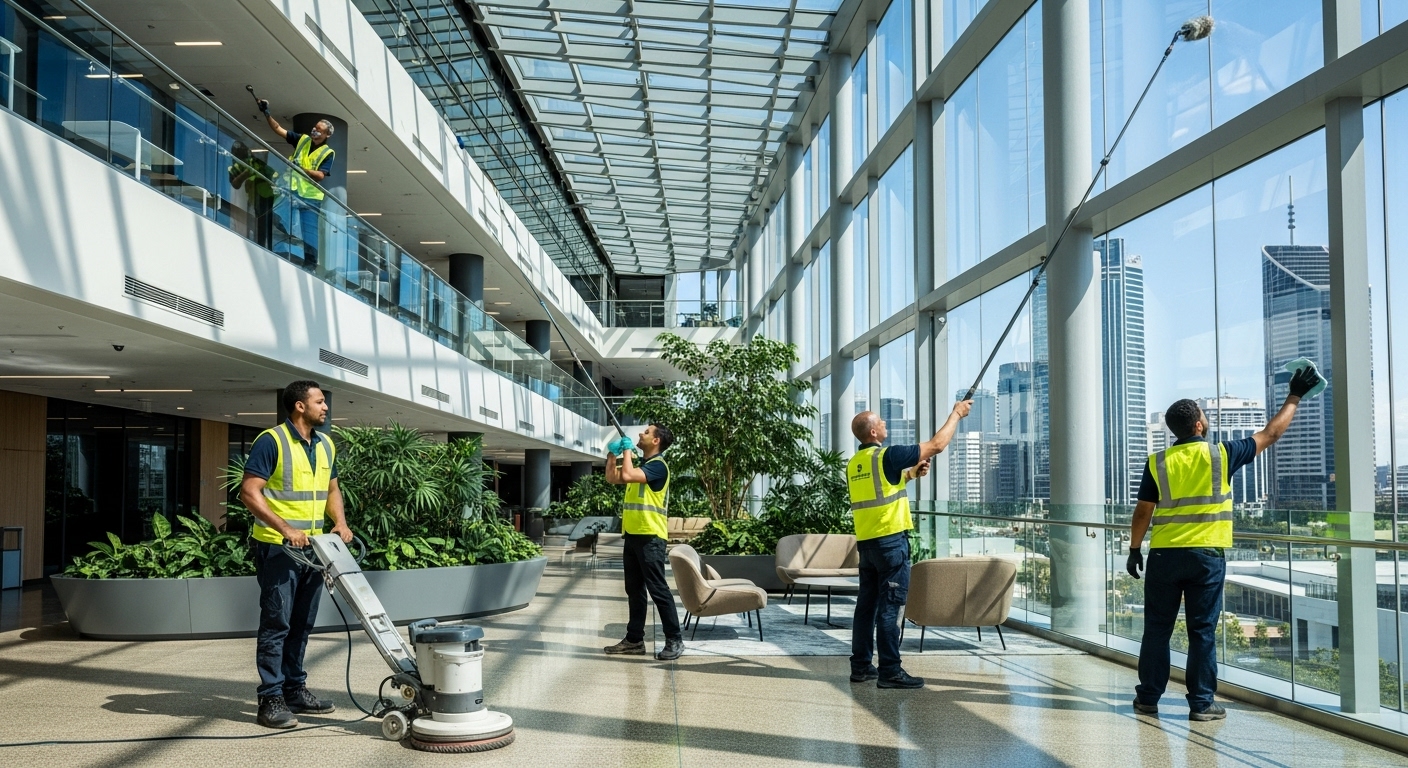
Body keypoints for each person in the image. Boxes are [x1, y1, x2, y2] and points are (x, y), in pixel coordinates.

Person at [1127, 366, 1320, 721]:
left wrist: (1134, 549)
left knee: (1157, 628)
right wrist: (1295, 395)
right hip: (1207, 557)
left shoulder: (1157, 462)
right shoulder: (1222, 454)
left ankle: (1148, 699)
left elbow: (1143, 512)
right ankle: (1201, 704)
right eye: (1204, 415)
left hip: (1165, 557)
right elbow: (1271, 434)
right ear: (1198, 425)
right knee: (1202, 631)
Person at [239, 380, 354, 729]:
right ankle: (270, 699)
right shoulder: (271, 441)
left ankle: (294, 689)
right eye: (320, 402)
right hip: (278, 549)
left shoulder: (325, 445)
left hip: (315, 548)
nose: (326, 407)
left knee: (302, 623)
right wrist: (286, 528)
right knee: (277, 623)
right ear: (300, 406)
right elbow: (248, 492)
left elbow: (332, 488)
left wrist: (341, 522)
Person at [848, 399, 972, 689]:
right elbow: (937, 445)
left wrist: (912, 473)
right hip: (891, 543)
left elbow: (884, 486)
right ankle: (890, 670)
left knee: (866, 607)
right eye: (881, 422)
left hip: (867, 544)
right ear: (874, 433)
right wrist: (956, 413)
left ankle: (861, 667)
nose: (885, 424)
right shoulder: (886, 455)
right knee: (891, 606)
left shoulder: (855, 464)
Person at [602, 424, 684, 661]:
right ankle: (634, 640)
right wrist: (612, 454)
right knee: (634, 590)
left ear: (656, 441)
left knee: (658, 590)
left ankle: (674, 640)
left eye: (646, 432)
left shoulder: (658, 466)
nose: (640, 434)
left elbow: (626, 475)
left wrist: (627, 451)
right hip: (634, 535)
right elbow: (613, 477)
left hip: (650, 537)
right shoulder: (645, 467)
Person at [257, 98, 335, 268]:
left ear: (326, 135)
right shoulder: (303, 140)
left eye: (319, 130)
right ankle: (277, 250)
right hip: (291, 190)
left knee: (310, 233)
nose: (315, 131)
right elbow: (278, 129)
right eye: (315, 127)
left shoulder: (328, 152)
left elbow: (321, 175)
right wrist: (266, 113)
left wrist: (302, 170)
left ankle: (310, 265)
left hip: (311, 197)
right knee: (277, 216)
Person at [227, 140, 277, 249]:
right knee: (252, 222)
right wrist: (246, 174)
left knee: (263, 224)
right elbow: (235, 183)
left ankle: (263, 246)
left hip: (264, 197)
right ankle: (255, 245)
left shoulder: (256, 162)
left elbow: (273, 175)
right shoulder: (236, 166)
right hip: (250, 198)